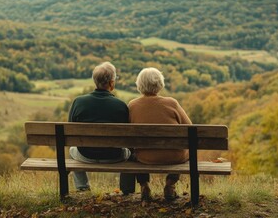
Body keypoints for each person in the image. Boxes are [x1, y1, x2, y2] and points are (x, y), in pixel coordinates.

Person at [68, 61, 134, 193]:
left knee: (72, 149)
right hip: (115, 156)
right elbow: (128, 138)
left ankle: (82, 188)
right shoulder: (121, 105)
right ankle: (127, 190)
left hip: (85, 154)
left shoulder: (78, 102)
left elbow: (70, 132)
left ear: (95, 81)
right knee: (131, 153)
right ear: (111, 83)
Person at [128, 67, 192, 201]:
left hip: (145, 157)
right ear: (160, 84)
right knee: (186, 151)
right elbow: (190, 129)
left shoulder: (132, 105)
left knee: (134, 152)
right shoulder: (172, 103)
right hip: (174, 156)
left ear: (139, 85)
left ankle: (144, 185)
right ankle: (170, 185)